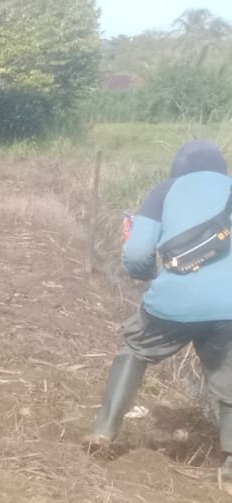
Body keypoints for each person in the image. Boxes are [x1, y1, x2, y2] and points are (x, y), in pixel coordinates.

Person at [86, 140, 232, 484]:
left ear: (178, 168)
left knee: (135, 347)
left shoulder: (164, 191)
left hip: (172, 303)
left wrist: (146, 274)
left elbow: (138, 252)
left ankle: (104, 431)